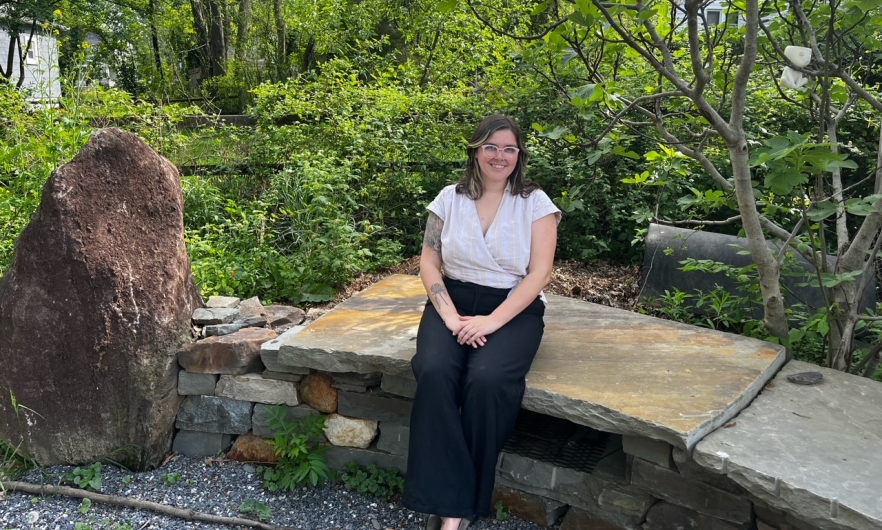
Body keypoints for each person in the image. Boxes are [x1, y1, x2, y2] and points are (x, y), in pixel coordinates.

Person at [401, 114, 561, 530]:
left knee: (487, 381)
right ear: (475, 151)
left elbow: (539, 274)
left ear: (519, 155)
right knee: (434, 371)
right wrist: (450, 316)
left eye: (509, 149)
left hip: (513, 308)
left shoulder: (535, 203)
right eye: (490, 146)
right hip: (451, 301)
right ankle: (455, 506)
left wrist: (490, 322)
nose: (499, 156)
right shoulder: (448, 199)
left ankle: (455, 511)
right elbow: (429, 261)